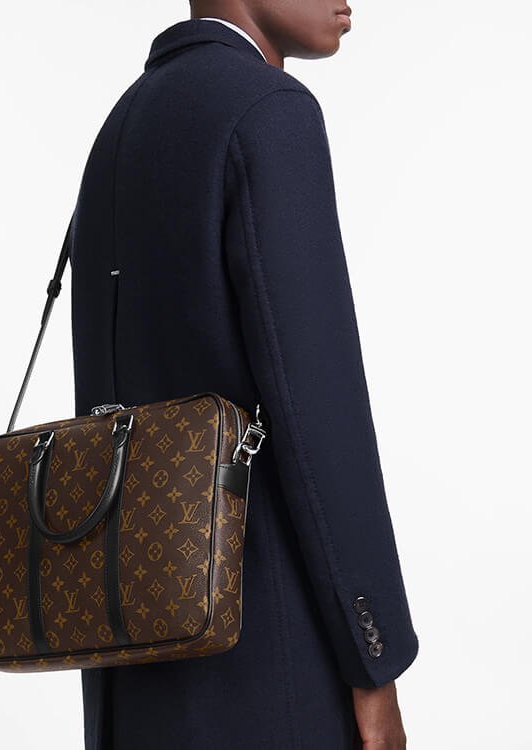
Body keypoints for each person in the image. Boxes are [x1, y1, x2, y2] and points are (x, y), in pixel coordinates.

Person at [69, 2, 419, 748]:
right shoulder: (269, 113)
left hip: (128, 677)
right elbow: (318, 407)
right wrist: (375, 661)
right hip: (270, 667)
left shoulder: (121, 124)